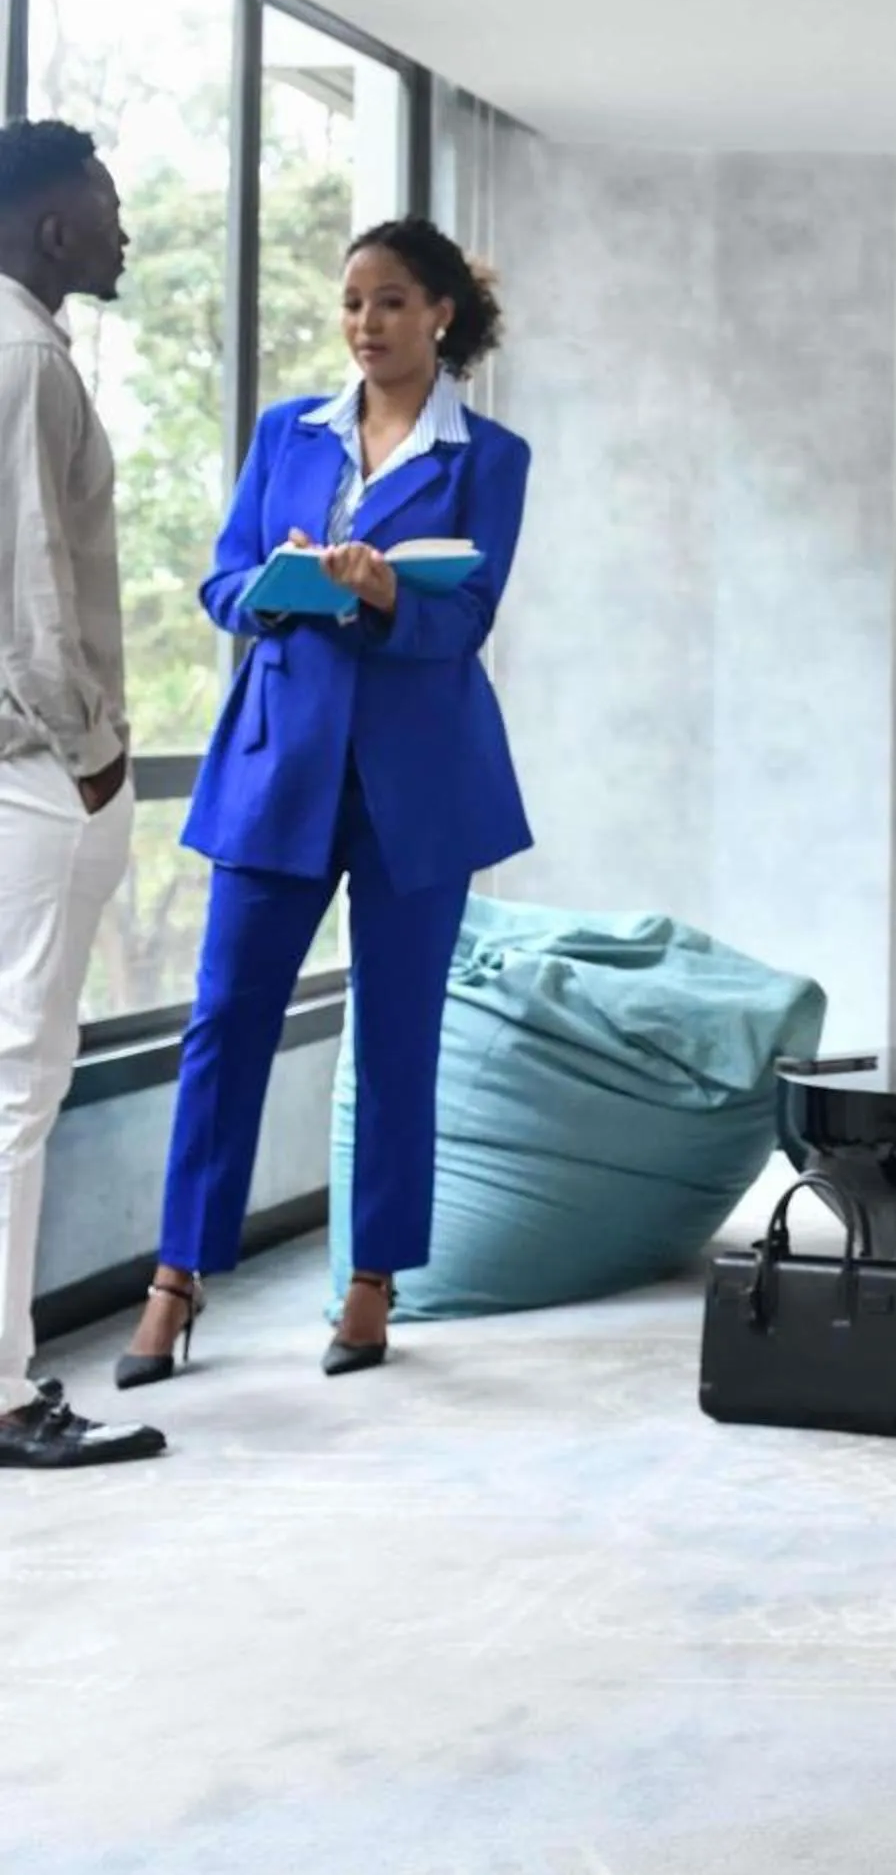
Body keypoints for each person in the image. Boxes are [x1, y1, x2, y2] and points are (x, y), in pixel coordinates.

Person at [116, 216, 531, 1386]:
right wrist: (280, 584)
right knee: (224, 1024)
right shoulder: (285, 434)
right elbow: (221, 580)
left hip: (420, 786)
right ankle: (177, 1278)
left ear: (440, 313)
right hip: (275, 771)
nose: (366, 324)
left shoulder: (489, 459)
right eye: (352, 303)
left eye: (391, 301)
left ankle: (371, 1283)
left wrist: (391, 591)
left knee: (397, 1038)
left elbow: (467, 618)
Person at [0, 121, 160, 1470]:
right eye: (105, 207)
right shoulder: (25, 360)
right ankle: (2, 1394)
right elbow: (38, 598)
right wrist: (92, 749)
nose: (123, 228)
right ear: (54, 230)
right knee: (16, 1081)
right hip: (31, 778)